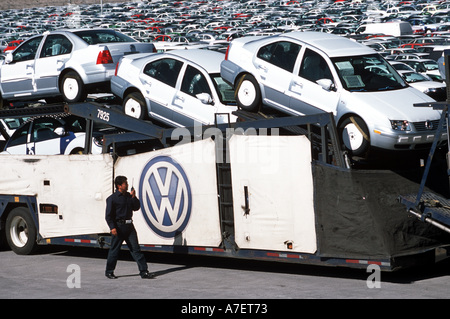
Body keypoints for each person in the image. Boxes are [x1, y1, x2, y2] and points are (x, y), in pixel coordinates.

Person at [105, 175, 154, 279]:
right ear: (119, 186)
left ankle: (144, 271)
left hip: (129, 227)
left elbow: (136, 207)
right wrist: (112, 227)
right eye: (125, 183)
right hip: (118, 227)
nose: (127, 185)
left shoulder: (128, 196)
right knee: (114, 250)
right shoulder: (112, 199)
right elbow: (108, 216)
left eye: (127, 183)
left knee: (136, 249)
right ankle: (109, 271)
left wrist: (133, 197)